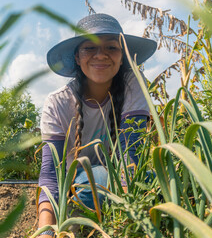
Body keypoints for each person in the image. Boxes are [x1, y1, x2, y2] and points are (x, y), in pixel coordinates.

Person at [37, 13, 156, 237]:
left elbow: (130, 155)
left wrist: (126, 221)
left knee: (149, 179)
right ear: (77, 57)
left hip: (124, 181)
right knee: (97, 180)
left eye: (111, 48)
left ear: (122, 57)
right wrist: (45, 232)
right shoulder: (57, 103)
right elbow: (51, 175)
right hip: (79, 190)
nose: (101, 55)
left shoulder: (133, 83)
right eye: (89, 48)